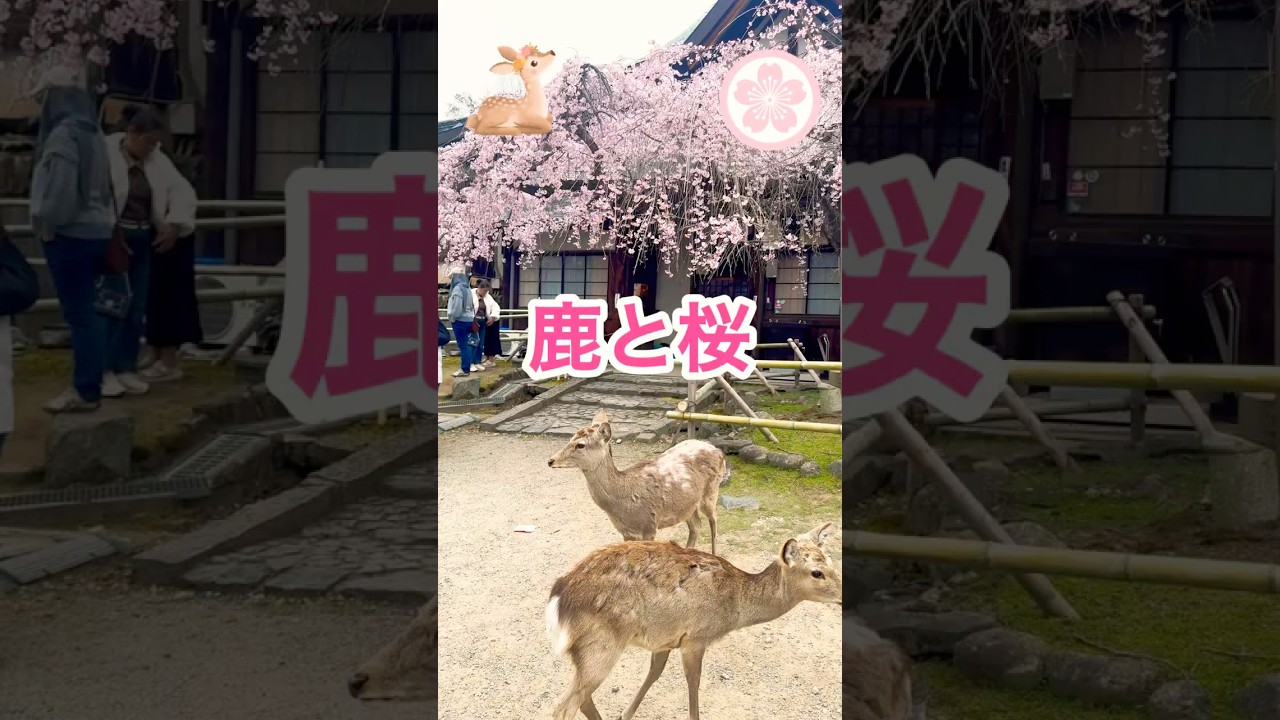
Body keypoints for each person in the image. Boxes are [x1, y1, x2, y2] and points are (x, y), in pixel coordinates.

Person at [28, 63, 115, 413]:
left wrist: (46, 222)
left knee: (79, 315)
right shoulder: (94, 133)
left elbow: (58, 196)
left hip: (70, 234)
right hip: (98, 230)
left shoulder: (63, 135)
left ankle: (85, 390)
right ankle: (93, 383)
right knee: (91, 313)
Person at [100, 104, 197, 396]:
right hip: (113, 234)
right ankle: (104, 367)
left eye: (156, 143)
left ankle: (126, 366)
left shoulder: (157, 160)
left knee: (136, 304)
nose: (152, 147)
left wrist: (174, 223)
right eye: (148, 141)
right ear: (131, 133)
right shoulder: (105, 153)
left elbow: (183, 190)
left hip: (144, 234)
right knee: (111, 302)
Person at [446, 269, 479, 377]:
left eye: (452, 277)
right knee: (467, 345)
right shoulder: (467, 288)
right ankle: (467, 367)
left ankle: (464, 369)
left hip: (460, 320)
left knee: (463, 345)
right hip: (469, 319)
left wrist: (452, 317)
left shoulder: (457, 289)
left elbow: (456, 307)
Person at [472, 278, 502, 364]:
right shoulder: (471, 295)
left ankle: (490, 358)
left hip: (486, 320)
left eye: (487, 291)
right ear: (480, 288)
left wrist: (493, 317)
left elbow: (496, 307)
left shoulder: (488, 297)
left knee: (486, 340)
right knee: (476, 341)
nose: (485, 293)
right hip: (474, 320)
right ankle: (479, 359)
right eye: (484, 291)